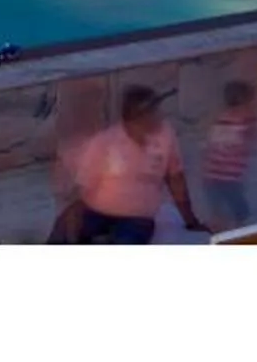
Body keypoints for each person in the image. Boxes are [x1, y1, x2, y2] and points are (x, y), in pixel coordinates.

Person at [62, 84, 209, 243]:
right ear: (138, 116)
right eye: (154, 111)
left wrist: (190, 221)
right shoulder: (105, 141)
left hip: (137, 217)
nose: (159, 115)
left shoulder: (165, 135)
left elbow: (176, 179)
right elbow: (81, 189)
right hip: (97, 212)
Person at [198, 80, 257, 230]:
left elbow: (207, 144)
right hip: (230, 176)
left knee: (216, 206)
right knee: (240, 209)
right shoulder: (247, 120)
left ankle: (217, 225)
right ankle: (238, 229)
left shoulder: (219, 118)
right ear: (245, 102)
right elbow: (253, 141)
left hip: (210, 173)